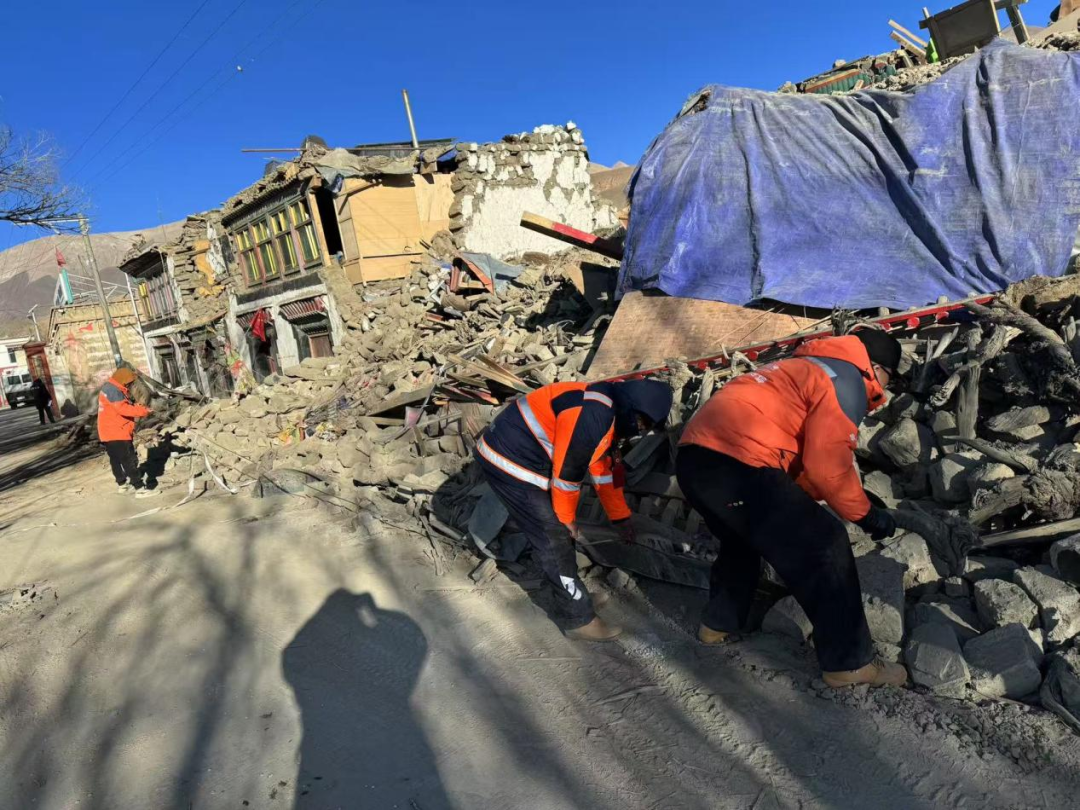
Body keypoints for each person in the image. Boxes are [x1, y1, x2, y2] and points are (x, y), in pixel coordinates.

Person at [676, 329, 907, 688]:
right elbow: (828, 464)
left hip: (695, 461)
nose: (886, 388)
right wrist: (866, 515)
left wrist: (831, 498)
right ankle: (850, 666)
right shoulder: (845, 378)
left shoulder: (798, 366)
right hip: (740, 464)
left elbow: (800, 471)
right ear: (876, 368)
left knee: (742, 542)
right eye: (890, 378)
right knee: (826, 542)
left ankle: (717, 625)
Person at [476, 379, 673, 641]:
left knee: (558, 525)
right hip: (508, 459)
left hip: (527, 454)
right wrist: (566, 519)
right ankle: (578, 618)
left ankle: (573, 593)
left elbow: (603, 472)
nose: (639, 431)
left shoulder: (608, 411)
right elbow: (567, 475)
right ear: (633, 409)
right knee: (553, 533)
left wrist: (620, 516)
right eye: (641, 423)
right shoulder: (592, 416)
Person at [98, 367, 159, 498]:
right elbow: (124, 409)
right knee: (128, 460)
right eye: (130, 382)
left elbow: (122, 406)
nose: (130, 385)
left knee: (115, 460)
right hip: (117, 431)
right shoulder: (114, 391)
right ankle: (139, 488)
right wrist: (143, 411)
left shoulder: (109, 387)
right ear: (124, 380)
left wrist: (137, 407)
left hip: (107, 432)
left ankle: (122, 484)